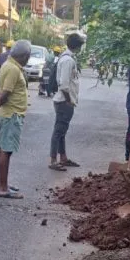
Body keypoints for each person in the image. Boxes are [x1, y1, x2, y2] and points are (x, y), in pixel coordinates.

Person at [0, 40, 31, 199]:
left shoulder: (6, 65)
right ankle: (2, 187)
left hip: (8, 114)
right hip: (11, 114)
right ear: (25, 56)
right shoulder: (13, 69)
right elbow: (5, 93)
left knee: (4, 149)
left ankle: (3, 183)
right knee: (6, 150)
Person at [49, 34, 85, 171]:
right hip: (64, 101)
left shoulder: (66, 58)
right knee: (58, 131)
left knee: (62, 131)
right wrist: (69, 101)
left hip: (63, 100)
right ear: (78, 46)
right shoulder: (68, 60)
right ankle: (53, 160)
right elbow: (64, 84)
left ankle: (63, 158)